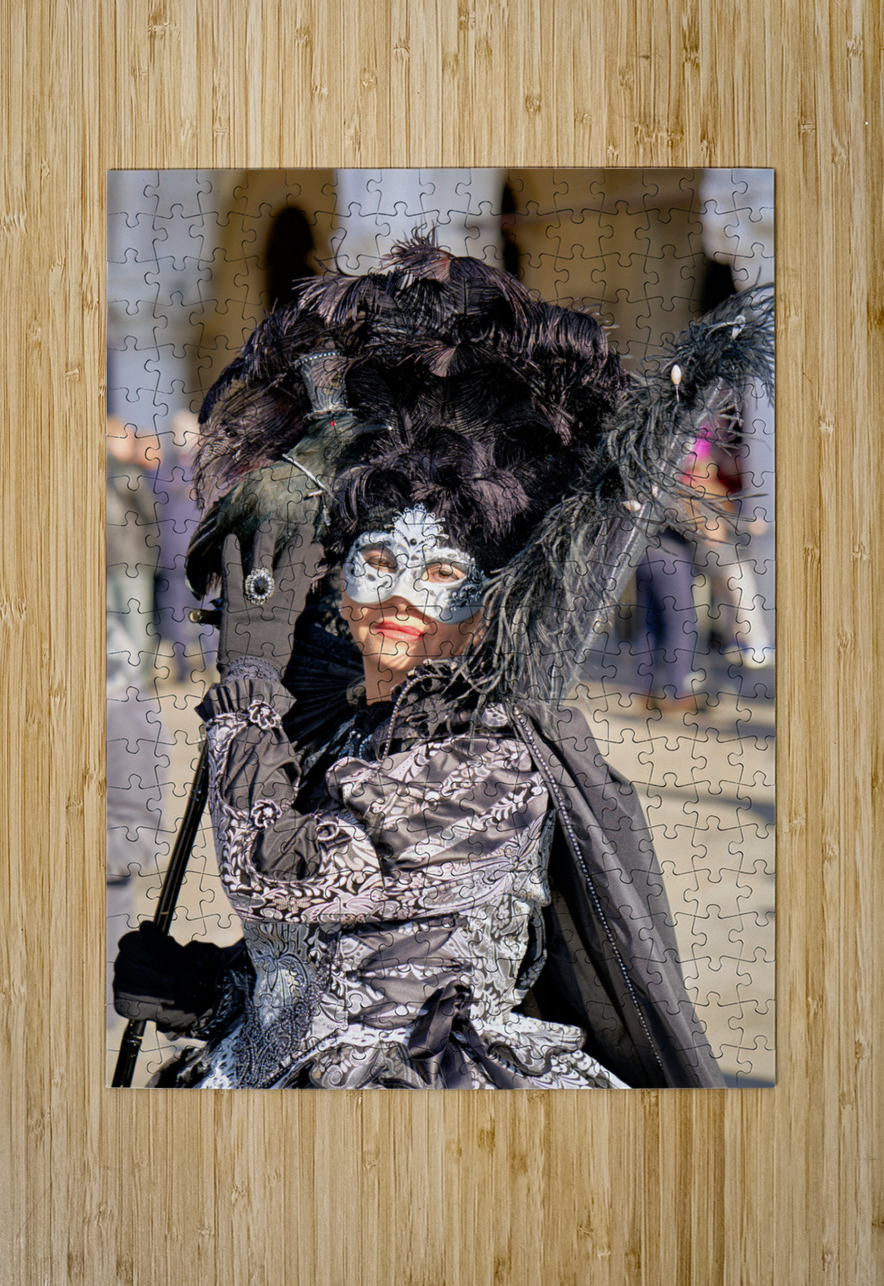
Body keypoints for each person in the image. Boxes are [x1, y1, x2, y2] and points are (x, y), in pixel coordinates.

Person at [114, 234, 773, 1089]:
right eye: (381, 562)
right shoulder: (343, 728)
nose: (404, 597)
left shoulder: (486, 762)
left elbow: (279, 880)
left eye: (441, 576)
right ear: (340, 581)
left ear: (486, 602)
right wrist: (210, 991)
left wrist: (246, 684)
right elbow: (329, 957)